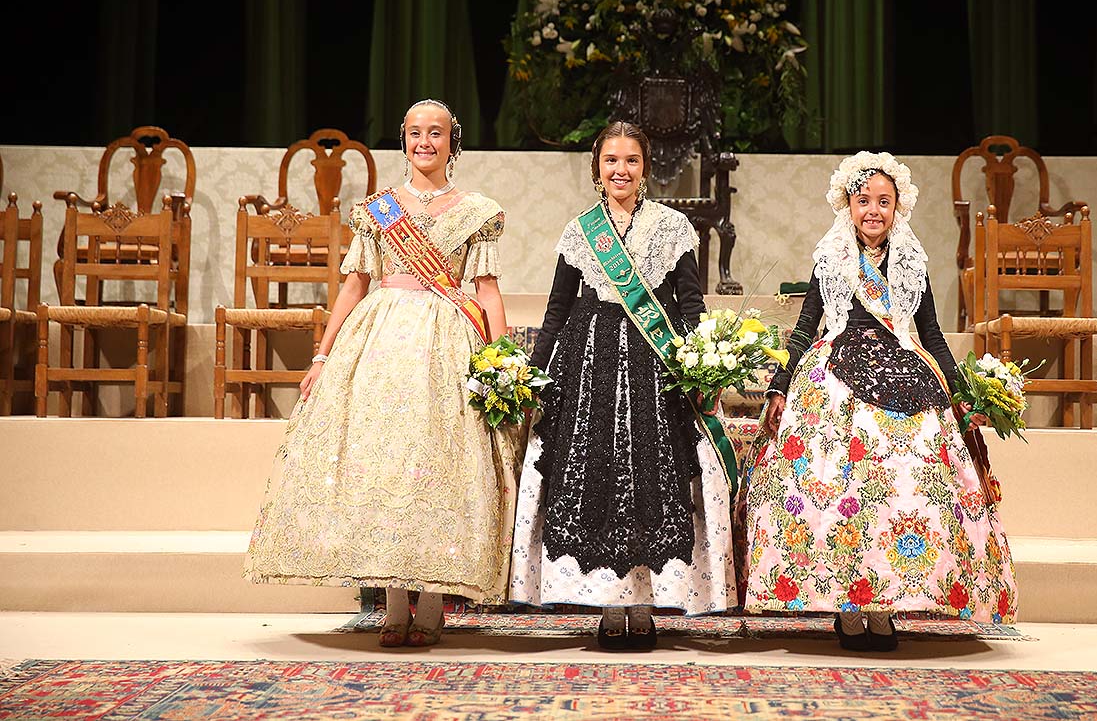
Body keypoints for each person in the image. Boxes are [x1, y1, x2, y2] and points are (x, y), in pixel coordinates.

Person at [245, 99, 518, 648]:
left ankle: (435, 603)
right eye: (415, 132)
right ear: (403, 140)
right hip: (381, 341)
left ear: (452, 141)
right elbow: (354, 285)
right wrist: (322, 356)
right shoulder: (379, 211)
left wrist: (501, 361)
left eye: (435, 133)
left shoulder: (476, 211)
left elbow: (485, 290)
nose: (425, 142)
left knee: (438, 463)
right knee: (386, 462)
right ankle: (394, 603)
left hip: (449, 343)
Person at [740, 151, 1017, 651]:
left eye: (883, 201)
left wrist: (959, 393)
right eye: (863, 200)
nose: (873, 210)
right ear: (847, 204)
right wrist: (781, 385)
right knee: (841, 493)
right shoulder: (830, 258)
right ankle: (848, 605)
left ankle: (888, 602)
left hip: (905, 368)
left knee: (908, 488)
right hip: (836, 376)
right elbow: (807, 327)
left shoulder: (912, 261)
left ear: (898, 208)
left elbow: (930, 333)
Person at [508, 121, 737, 650]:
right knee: (598, 480)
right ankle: (609, 607)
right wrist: (535, 373)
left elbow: (689, 302)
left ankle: (646, 605)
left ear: (645, 168)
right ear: (597, 169)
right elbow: (558, 308)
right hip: (588, 365)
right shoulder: (579, 229)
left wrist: (702, 365)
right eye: (611, 161)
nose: (621, 170)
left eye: (631, 161)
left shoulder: (674, 226)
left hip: (653, 369)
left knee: (650, 479)